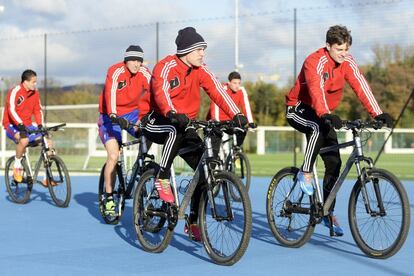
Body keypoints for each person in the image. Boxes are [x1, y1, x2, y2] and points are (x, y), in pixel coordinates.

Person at [285, 25, 393, 236]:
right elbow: (315, 88)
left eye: (346, 49)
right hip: (299, 108)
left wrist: (377, 113)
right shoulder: (315, 61)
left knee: (334, 163)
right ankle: (305, 173)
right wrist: (325, 112)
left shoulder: (348, 62)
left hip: (324, 112)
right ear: (328, 46)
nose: (344, 54)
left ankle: (327, 211)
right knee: (316, 127)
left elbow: (360, 85)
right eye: (339, 49)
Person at [144, 27, 247, 241]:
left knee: (204, 167)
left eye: (203, 50)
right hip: (158, 120)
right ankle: (162, 177)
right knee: (174, 129)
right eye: (199, 49)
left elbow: (218, 91)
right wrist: (171, 112)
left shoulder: (201, 70)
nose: (202, 54)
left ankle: (192, 221)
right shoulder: (166, 66)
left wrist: (237, 114)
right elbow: (160, 91)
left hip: (185, 125)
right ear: (186, 50)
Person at [98, 45, 151, 216]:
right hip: (110, 117)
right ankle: (109, 196)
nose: (137, 64)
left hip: (132, 114)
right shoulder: (115, 71)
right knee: (114, 156)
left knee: (150, 132)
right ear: (126, 60)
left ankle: (139, 164)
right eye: (134, 60)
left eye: (140, 61)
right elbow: (110, 93)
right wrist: (113, 114)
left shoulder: (143, 72)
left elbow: (155, 90)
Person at [2, 69, 54, 186]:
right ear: (25, 82)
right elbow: (11, 110)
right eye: (33, 82)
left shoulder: (35, 93)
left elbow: (37, 110)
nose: (35, 84)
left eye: (36, 82)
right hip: (12, 125)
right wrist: (20, 125)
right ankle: (17, 167)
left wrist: (40, 125)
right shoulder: (15, 91)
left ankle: (47, 178)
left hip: (28, 125)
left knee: (49, 142)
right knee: (24, 140)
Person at [208, 71, 256, 155]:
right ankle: (220, 159)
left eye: (239, 83)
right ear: (229, 82)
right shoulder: (222, 89)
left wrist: (250, 122)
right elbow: (214, 106)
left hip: (232, 120)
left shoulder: (241, 90)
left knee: (242, 130)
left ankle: (236, 150)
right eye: (234, 83)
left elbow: (246, 106)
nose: (237, 85)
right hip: (219, 120)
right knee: (220, 149)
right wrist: (216, 120)